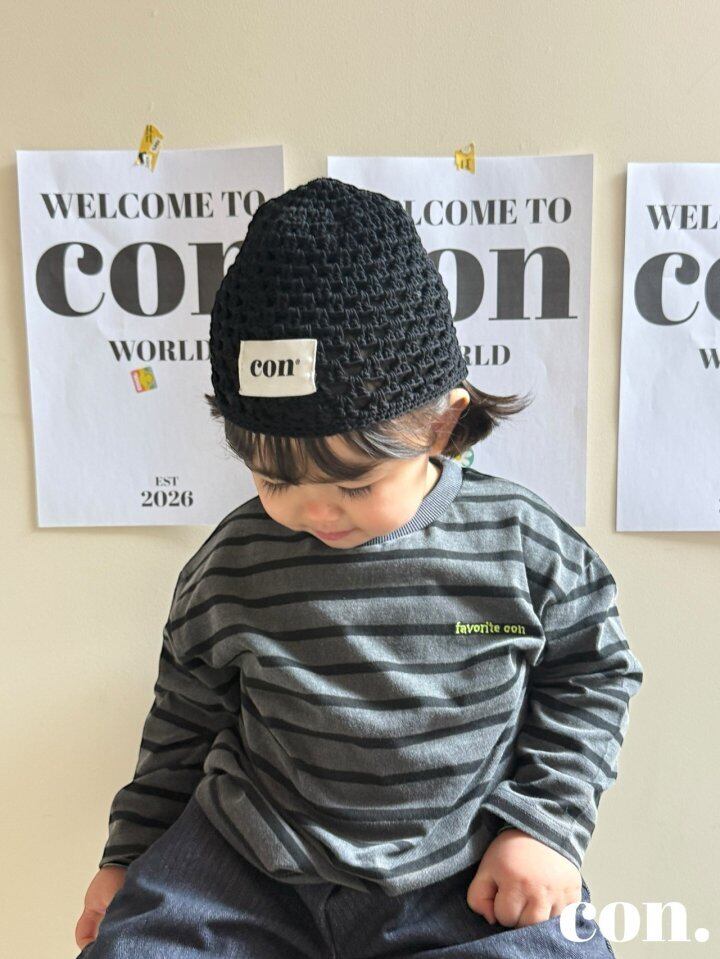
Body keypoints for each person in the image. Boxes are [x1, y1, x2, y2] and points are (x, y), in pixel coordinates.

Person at [75, 177, 643, 957]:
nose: (315, 509)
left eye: (355, 484)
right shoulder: (232, 560)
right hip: (246, 865)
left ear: (441, 423)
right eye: (274, 479)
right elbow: (182, 718)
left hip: (459, 870)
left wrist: (545, 826)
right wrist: (126, 856)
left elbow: (592, 678)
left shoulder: (523, 547)